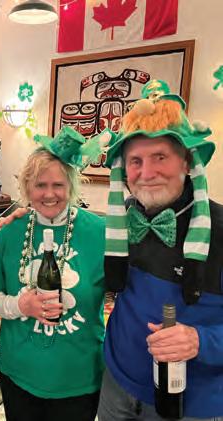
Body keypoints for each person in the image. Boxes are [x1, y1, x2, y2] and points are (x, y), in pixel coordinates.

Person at [98, 79, 223, 420]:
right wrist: (32, 218)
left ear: (186, 162)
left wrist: (200, 340)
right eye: (135, 161)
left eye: (160, 157)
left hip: (192, 405)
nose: (147, 173)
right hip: (116, 385)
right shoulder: (122, 220)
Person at [0, 127, 109, 421]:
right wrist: (19, 305)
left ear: (72, 186)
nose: (49, 194)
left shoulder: (100, 233)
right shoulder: (10, 232)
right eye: (40, 185)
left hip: (78, 377)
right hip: (19, 373)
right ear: (27, 188)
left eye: (58, 185)